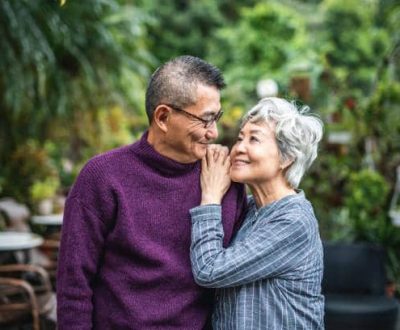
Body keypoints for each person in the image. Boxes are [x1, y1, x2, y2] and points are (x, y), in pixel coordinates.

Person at [57, 55, 246, 329]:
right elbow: (74, 286)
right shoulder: (102, 178)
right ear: (163, 117)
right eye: (205, 120)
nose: (214, 132)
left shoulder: (225, 181)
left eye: (217, 117)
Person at [190, 97, 325, 329]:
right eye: (240, 137)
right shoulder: (251, 208)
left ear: (287, 157)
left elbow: (209, 269)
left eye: (254, 139)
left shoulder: (294, 221)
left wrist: (210, 197)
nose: (239, 147)